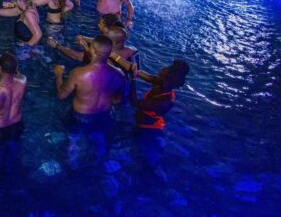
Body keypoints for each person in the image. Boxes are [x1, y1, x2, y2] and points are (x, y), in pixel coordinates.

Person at [53, 35, 126, 165]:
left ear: (92, 51)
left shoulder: (78, 73)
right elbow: (117, 101)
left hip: (80, 117)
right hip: (104, 115)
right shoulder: (119, 74)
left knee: (73, 140)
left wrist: (58, 75)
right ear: (110, 53)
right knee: (99, 141)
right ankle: (99, 166)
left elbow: (61, 95)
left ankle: (72, 165)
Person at [110, 55, 189, 170]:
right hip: (143, 124)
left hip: (149, 130)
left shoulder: (164, 101)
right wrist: (115, 56)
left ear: (167, 78)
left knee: (148, 161)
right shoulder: (162, 83)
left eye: (163, 72)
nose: (161, 70)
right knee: (137, 149)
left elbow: (134, 102)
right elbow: (140, 72)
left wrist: (132, 79)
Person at [48, 14, 125, 63]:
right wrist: (84, 38)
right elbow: (98, 41)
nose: (98, 24)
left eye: (100, 23)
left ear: (106, 27)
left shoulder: (107, 46)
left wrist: (56, 45)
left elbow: (77, 56)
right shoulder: (114, 37)